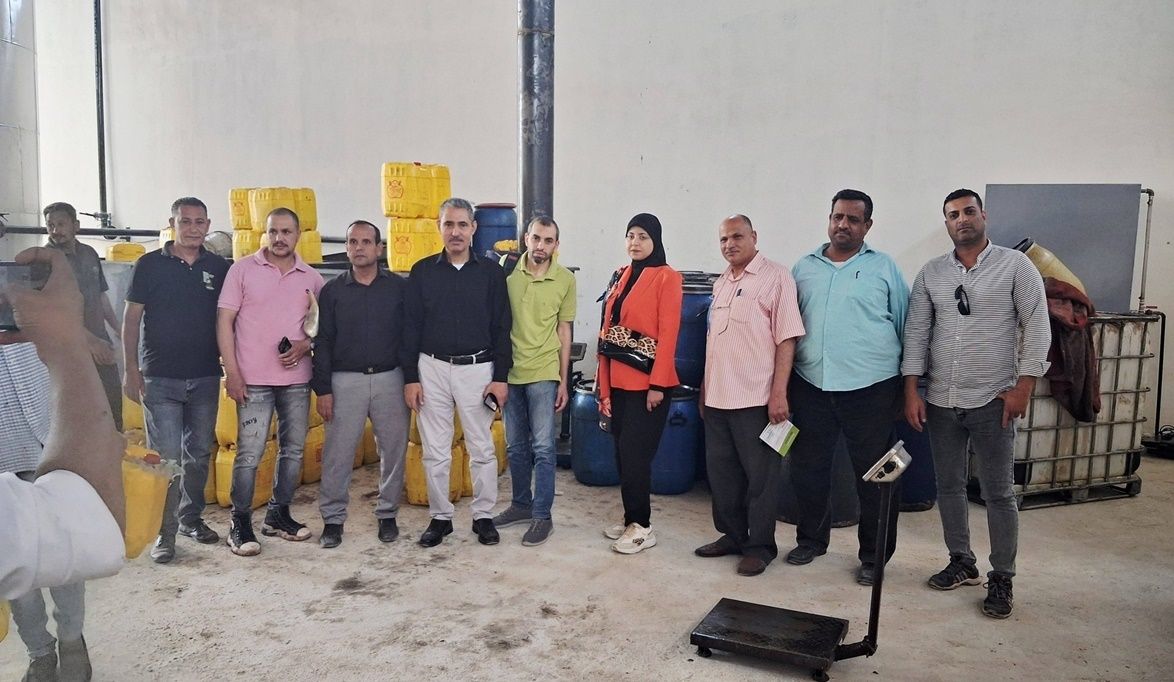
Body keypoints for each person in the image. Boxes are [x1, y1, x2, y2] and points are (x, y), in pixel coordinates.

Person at [902, 188, 1051, 619]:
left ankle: (1002, 575)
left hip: (993, 399)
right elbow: (917, 332)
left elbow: (1037, 325)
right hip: (941, 399)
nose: (962, 219)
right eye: (953, 215)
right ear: (946, 223)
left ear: (983, 215)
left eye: (969, 211)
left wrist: (1024, 386)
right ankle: (961, 561)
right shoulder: (931, 273)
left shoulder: (1015, 265)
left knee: (998, 492)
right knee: (947, 486)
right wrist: (911, 390)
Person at [1, 247, 127, 679]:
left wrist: (73, 337)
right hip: (5, 453)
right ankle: (40, 650)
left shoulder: (27, 295)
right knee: (20, 569)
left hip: (49, 442)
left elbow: (87, 347)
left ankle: (72, 637)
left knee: (67, 551)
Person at [787, 190, 910, 586]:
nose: (843, 225)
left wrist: (907, 387)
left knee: (877, 476)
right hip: (811, 384)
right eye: (837, 217)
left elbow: (905, 325)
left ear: (867, 226)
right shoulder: (803, 267)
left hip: (871, 388)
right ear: (829, 219)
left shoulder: (884, 268)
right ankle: (811, 540)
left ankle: (874, 557)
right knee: (808, 469)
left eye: (853, 219)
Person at [695, 214, 805, 576]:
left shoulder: (776, 277)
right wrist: (705, 387)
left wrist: (779, 393)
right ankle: (733, 535)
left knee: (761, 479)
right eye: (723, 239)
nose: (730, 244)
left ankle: (760, 547)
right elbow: (713, 341)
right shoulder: (721, 283)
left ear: (754, 236)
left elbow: (786, 338)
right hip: (718, 397)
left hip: (756, 399)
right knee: (722, 475)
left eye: (737, 237)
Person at [122, 197, 230, 564]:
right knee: (166, 460)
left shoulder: (219, 267)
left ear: (208, 225)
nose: (193, 228)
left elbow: (230, 319)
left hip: (205, 376)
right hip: (160, 378)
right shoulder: (149, 265)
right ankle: (164, 534)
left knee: (198, 455)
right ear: (172, 224)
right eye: (185, 221)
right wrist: (131, 368)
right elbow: (131, 319)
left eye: (200, 222)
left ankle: (191, 520)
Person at [403, 197, 512, 548]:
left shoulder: (492, 274)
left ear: (473, 228)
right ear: (439, 227)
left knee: (482, 447)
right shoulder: (422, 272)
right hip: (431, 368)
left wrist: (500, 377)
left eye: (462, 224)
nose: (455, 232)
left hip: (478, 370)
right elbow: (409, 328)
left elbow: (502, 327)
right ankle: (440, 517)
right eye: (448, 224)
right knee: (435, 450)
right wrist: (411, 377)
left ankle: (483, 516)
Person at [217, 207, 324, 556]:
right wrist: (232, 372)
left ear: (298, 235)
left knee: (293, 450)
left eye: (286, 232)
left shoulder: (312, 278)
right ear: (265, 233)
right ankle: (240, 522)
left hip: (296, 380)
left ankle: (278, 514)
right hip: (252, 381)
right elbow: (224, 322)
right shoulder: (242, 270)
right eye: (273, 231)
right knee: (250, 453)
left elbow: (320, 328)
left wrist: (305, 346)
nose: (279, 238)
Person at [311, 220, 410, 548]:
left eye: (366, 242)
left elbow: (409, 336)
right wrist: (323, 389)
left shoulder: (398, 288)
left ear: (379, 248)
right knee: (338, 454)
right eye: (353, 242)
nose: (359, 247)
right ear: (347, 248)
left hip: (390, 378)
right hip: (345, 381)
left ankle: (387, 514)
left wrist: (411, 380)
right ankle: (333, 520)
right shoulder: (333, 291)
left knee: (393, 450)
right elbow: (323, 341)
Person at [597, 213, 682, 554]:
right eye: (630, 235)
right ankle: (631, 517)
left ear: (655, 240)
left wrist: (658, 385)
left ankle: (643, 527)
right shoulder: (621, 274)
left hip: (648, 385)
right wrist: (603, 386)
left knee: (635, 456)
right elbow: (607, 328)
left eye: (643, 236)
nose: (635, 242)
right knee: (622, 453)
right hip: (618, 379)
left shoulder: (667, 277)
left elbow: (669, 332)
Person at [490, 216, 577, 546]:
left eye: (548, 240)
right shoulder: (507, 271)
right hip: (511, 371)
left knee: (543, 447)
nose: (541, 246)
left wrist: (563, 381)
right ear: (526, 238)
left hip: (543, 371)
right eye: (536, 238)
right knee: (515, 446)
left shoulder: (565, 279)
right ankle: (520, 505)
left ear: (557, 245)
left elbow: (564, 331)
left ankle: (542, 515)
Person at [43, 201, 123, 430]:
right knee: (77, 411)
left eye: (61, 224)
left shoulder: (89, 253)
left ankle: (113, 448)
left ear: (75, 225)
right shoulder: (44, 260)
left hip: (100, 340)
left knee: (111, 403)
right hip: (67, 347)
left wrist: (118, 329)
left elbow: (100, 296)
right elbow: (53, 311)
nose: (55, 230)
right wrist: (90, 341)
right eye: (50, 225)